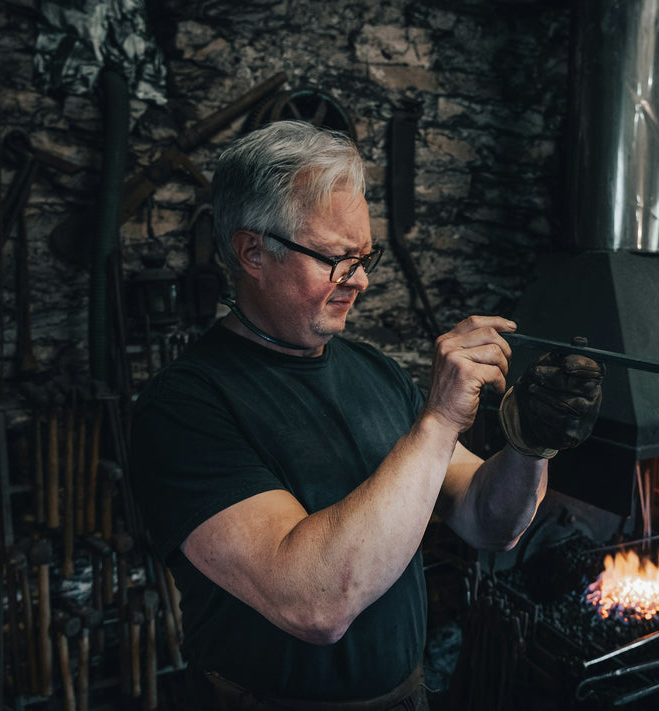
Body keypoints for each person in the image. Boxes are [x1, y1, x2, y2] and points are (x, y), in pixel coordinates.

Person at [129, 120, 604, 710]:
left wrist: (530, 444)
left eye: (364, 255)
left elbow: (487, 519)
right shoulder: (185, 408)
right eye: (336, 259)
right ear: (252, 251)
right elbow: (314, 604)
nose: (362, 280)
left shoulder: (374, 372)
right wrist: (437, 422)